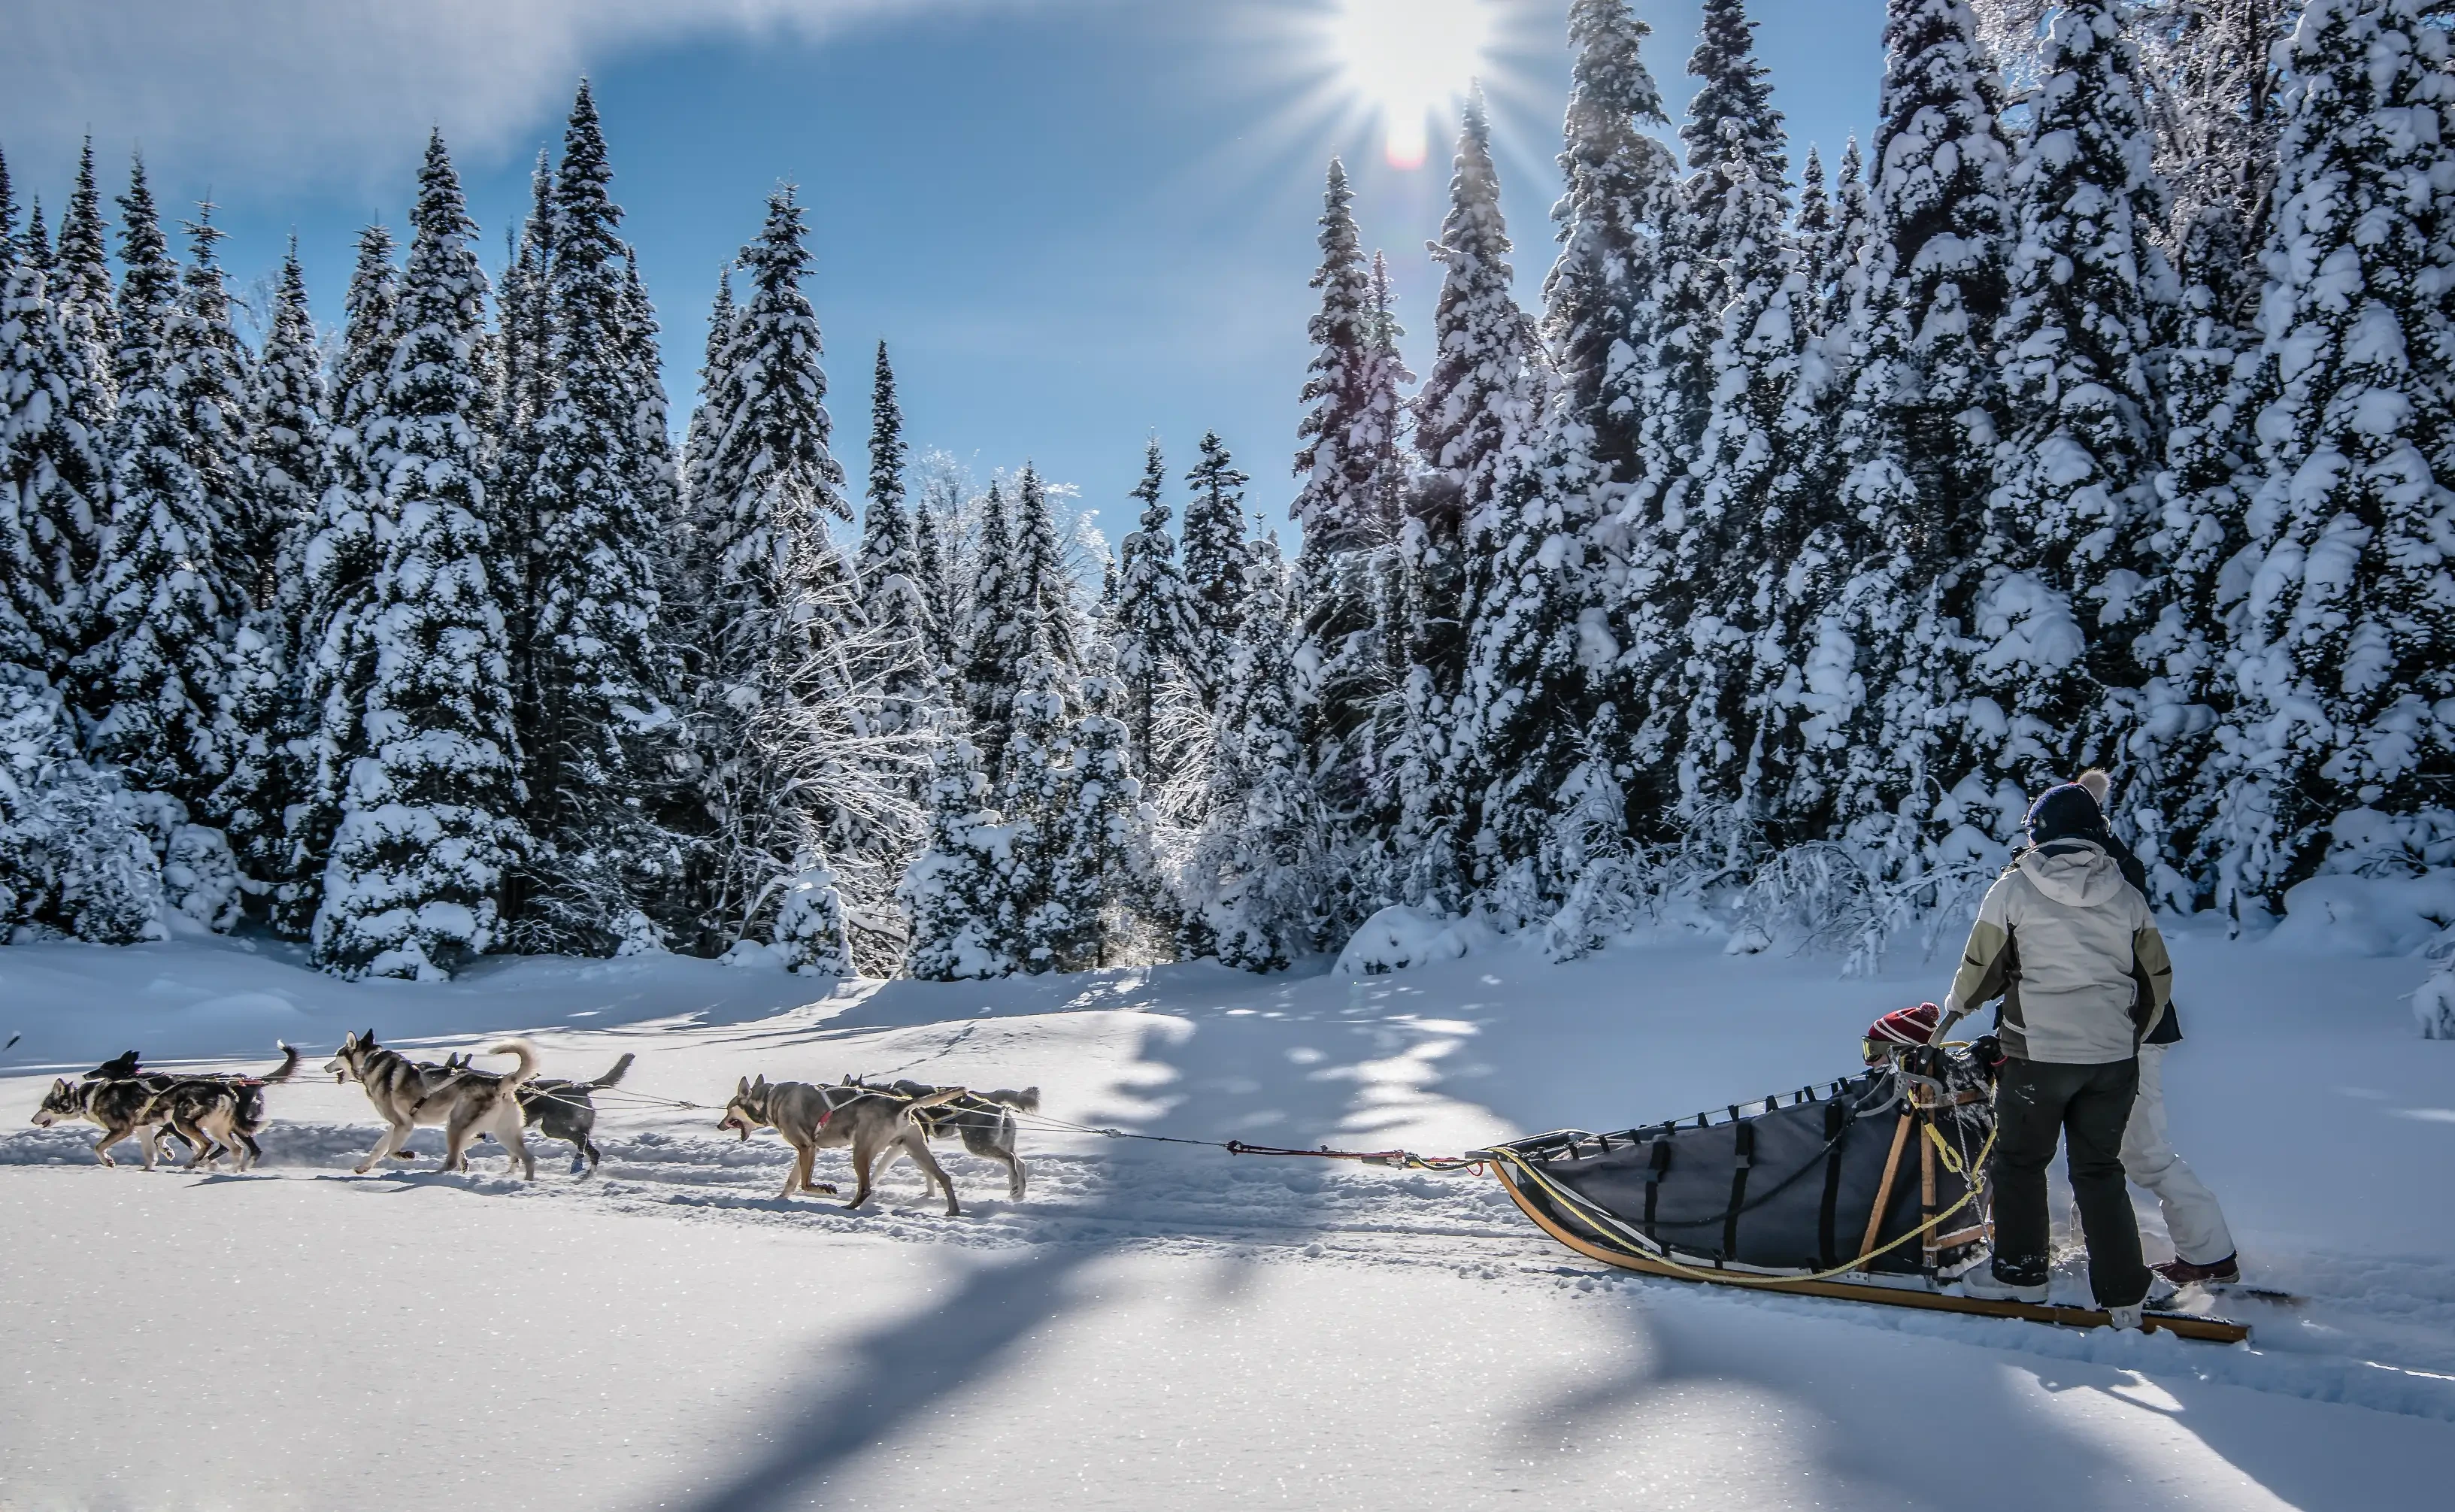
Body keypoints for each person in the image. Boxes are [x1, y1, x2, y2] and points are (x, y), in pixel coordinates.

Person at [1939, 779, 2172, 1328]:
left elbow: (1980, 970)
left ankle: (2022, 1277)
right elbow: (2156, 977)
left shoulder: (2013, 888)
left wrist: (1951, 1014)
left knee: (2020, 1163)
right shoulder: (2125, 893)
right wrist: (2129, 1035)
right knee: (2098, 1169)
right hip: (2110, 1060)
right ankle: (2122, 1291)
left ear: (2038, 833)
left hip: (2034, 1057)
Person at [2072, 770, 2241, 1286]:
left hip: (2126, 1034)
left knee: (2143, 1152)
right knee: (2096, 1149)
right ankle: (2098, 1241)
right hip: (2104, 1034)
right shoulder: (2107, 863)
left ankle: (2209, 1256)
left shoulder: (2101, 872)